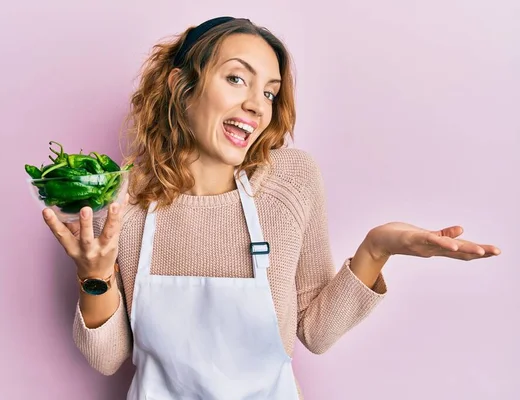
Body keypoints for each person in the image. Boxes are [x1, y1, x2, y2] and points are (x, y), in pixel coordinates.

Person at [42, 16, 501, 400]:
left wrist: (377, 247)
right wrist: (96, 275)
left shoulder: (290, 181)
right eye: (237, 78)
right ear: (181, 85)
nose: (256, 105)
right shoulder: (124, 200)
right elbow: (108, 358)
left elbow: (316, 332)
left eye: (269, 91)